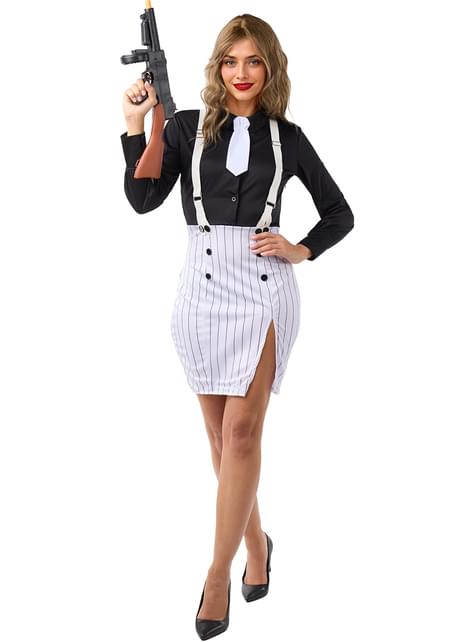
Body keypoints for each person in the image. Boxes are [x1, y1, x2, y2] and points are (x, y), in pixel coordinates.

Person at [120, 13, 354, 640]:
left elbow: (339, 213)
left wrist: (299, 249)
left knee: (243, 435)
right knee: (223, 447)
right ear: (217, 66)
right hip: (200, 291)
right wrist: (137, 126)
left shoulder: (288, 139)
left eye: (253, 61)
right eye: (231, 61)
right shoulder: (186, 128)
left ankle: (216, 576)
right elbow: (143, 200)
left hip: (262, 290)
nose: (242, 73)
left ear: (270, 67)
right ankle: (256, 543)